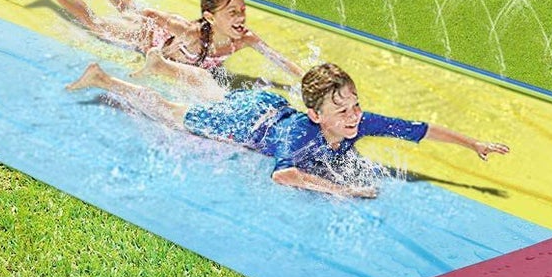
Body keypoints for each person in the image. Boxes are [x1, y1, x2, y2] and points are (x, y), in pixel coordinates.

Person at [67, 60, 509, 200]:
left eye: (355, 105)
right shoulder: (302, 136)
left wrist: (474, 145)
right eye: (342, 110)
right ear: (317, 115)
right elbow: (283, 174)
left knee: (217, 93)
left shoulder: (356, 123)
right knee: (171, 112)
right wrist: (343, 191)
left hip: (268, 104)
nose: (354, 116)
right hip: (247, 123)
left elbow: (419, 129)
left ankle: (165, 65)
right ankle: (105, 80)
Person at [15, 0, 304, 95]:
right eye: (232, 13)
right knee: (96, 23)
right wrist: (137, 16)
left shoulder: (245, 38)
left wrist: (303, 80)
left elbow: (277, 59)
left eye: (242, 11)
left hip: (162, 36)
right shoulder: (190, 31)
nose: (240, 18)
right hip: (149, 35)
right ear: (210, 17)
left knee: (125, 9)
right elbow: (153, 14)